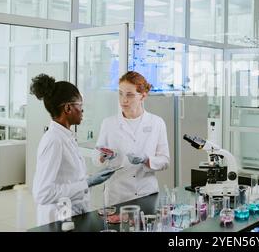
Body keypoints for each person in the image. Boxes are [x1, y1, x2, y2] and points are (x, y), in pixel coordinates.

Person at [30, 74, 115, 226]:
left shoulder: (66, 136)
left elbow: (67, 176)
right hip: (57, 221)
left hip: (72, 217)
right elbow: (42, 193)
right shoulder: (54, 141)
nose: (83, 111)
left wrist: (89, 178)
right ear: (68, 108)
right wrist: (87, 183)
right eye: (80, 105)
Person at [94, 71, 170, 206]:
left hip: (146, 193)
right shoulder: (108, 123)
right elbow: (96, 157)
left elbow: (165, 161)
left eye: (129, 95)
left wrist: (146, 160)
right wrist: (102, 156)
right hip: (117, 196)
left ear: (143, 96)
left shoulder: (156, 123)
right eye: (120, 93)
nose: (124, 100)